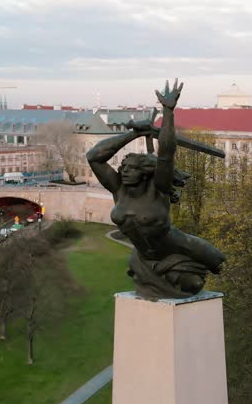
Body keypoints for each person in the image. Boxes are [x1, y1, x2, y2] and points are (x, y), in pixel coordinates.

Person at [87, 79, 225, 298]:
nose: (124, 172)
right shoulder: (118, 190)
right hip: (142, 258)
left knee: (209, 270)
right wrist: (135, 134)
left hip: (177, 248)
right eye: (123, 168)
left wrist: (168, 112)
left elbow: (167, 153)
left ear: (144, 173)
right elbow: (94, 157)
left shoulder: (158, 189)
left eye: (131, 169)